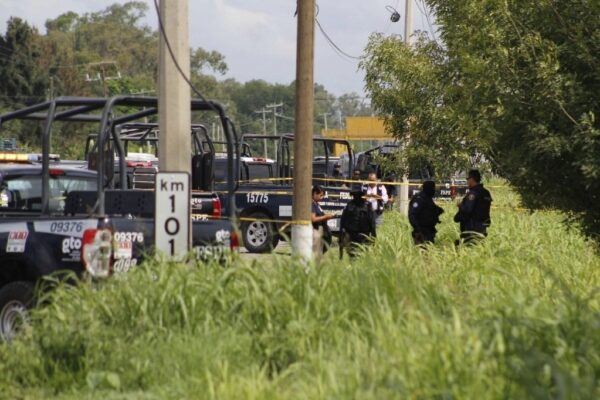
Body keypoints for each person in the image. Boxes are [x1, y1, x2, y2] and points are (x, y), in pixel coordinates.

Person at [454, 169, 492, 245]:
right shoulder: (486, 192)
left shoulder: (473, 193)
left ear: (472, 179)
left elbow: (467, 209)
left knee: (464, 247)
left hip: (471, 227)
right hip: (483, 226)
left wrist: (460, 205)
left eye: (468, 179)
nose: (467, 181)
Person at [339, 186, 376, 258]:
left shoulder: (367, 206)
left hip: (364, 235)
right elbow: (343, 221)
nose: (356, 197)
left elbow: (372, 222)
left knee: (362, 256)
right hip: (352, 235)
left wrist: (373, 236)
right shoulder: (349, 205)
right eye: (354, 196)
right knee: (353, 255)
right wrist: (341, 237)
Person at [408, 180, 444, 245]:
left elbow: (431, 209)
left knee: (429, 253)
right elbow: (412, 214)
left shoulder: (428, 198)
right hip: (421, 232)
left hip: (429, 231)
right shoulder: (419, 199)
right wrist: (418, 229)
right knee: (422, 252)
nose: (434, 190)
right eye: (433, 188)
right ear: (428, 188)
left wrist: (438, 210)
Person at [311, 185, 335, 254]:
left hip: (319, 231)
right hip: (314, 231)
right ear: (315, 193)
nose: (321, 198)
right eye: (320, 195)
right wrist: (326, 216)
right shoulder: (311, 204)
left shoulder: (316, 204)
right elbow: (313, 219)